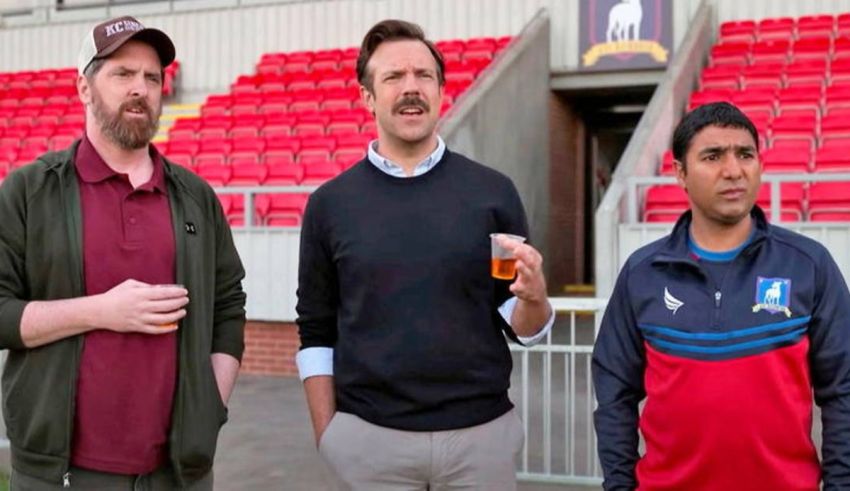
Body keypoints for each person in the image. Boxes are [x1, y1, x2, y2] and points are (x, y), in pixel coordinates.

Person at [296, 19, 554, 491]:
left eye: (423, 76)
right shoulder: (330, 204)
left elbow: (519, 319)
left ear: (441, 90)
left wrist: (536, 300)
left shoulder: (493, 193)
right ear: (367, 97)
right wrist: (328, 433)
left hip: (480, 439)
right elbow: (315, 327)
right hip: (369, 441)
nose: (410, 88)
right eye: (393, 77)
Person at [0, 15, 246, 489]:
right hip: (59, 474)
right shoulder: (29, 192)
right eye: (122, 74)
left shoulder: (194, 196)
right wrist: (102, 311)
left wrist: (210, 404)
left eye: (152, 77)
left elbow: (228, 305)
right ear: (84, 88)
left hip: (177, 474)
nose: (141, 88)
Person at [592, 102, 850, 490]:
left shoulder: (808, 265)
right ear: (680, 173)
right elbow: (614, 392)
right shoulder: (643, 272)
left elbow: (843, 390)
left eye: (745, 154)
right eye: (712, 156)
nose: (733, 170)